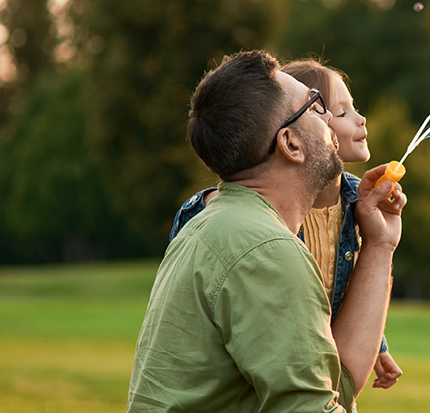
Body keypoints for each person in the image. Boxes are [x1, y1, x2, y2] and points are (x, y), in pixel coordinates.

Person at [128, 50, 404, 412]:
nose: (328, 119)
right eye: (315, 105)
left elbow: (334, 386)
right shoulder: (264, 249)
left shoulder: (221, 223)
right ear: (291, 143)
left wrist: (379, 245)